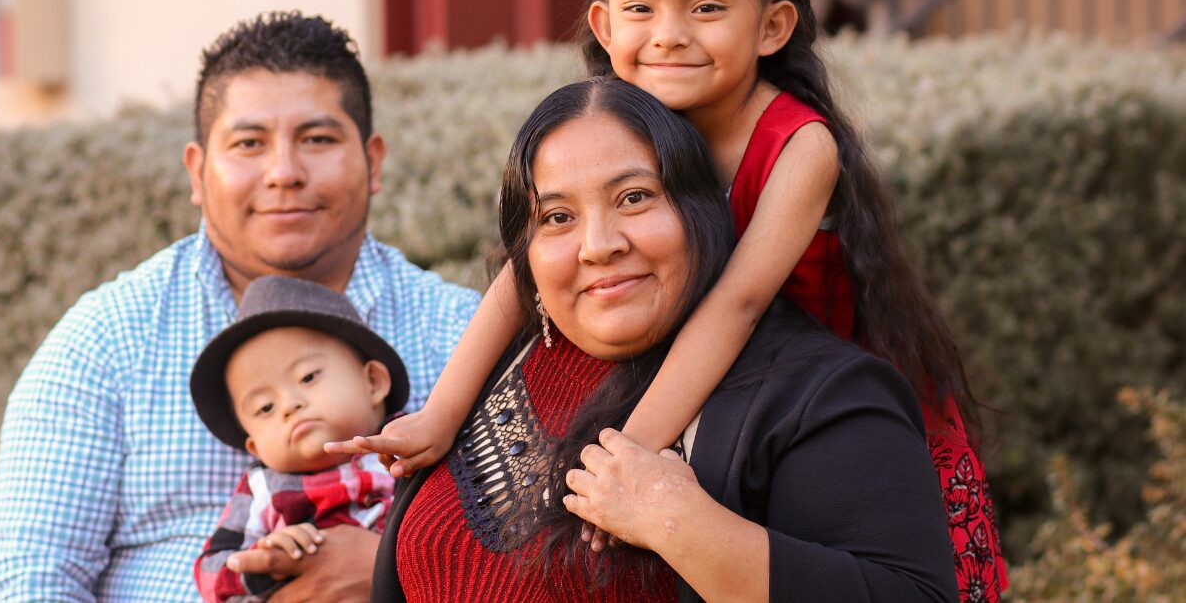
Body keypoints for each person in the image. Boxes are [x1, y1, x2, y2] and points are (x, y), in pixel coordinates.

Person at [339, 0, 1004, 601]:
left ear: (773, 26)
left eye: (708, 7)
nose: (669, 36)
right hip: (690, 350)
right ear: (603, 26)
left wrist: (626, 455)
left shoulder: (797, 144)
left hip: (785, 368)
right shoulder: (637, 117)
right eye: (640, 9)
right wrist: (440, 416)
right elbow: (521, 280)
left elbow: (740, 303)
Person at [367, 77, 957, 602]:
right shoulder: (500, 363)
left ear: (702, 210)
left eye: (634, 198)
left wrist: (685, 526)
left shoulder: (819, 395)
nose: (598, 244)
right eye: (557, 217)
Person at [0, 12, 480, 603]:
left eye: (318, 139)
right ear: (197, 171)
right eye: (249, 144)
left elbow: (537, 556)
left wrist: (396, 572)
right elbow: (32, 577)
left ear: (373, 161)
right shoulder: (108, 340)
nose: (284, 173)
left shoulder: (460, 337)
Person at [190, 275, 411, 602]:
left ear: (374, 382)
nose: (290, 405)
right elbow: (210, 572)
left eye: (308, 377)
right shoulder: (263, 489)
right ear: (256, 447)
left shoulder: (410, 449)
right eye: (265, 407)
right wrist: (265, 561)